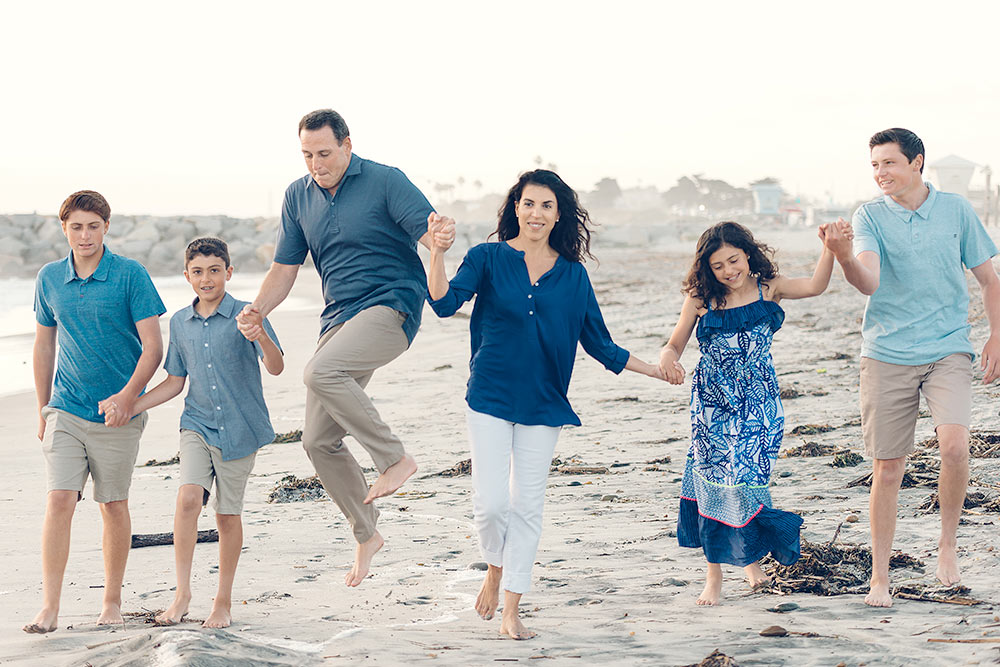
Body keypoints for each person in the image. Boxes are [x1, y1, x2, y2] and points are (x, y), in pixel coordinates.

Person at [426, 169, 665, 639]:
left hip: (544, 404)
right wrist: (436, 253)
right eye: (529, 203)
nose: (537, 213)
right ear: (516, 207)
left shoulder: (573, 277)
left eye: (547, 206)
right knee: (492, 506)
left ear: (559, 215)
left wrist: (654, 369)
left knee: (527, 506)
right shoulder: (488, 258)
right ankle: (494, 567)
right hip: (489, 396)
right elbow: (442, 303)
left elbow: (600, 344)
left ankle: (513, 607)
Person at [236, 109, 455, 587]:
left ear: (347, 145)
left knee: (320, 372)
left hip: (391, 304)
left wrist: (439, 238)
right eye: (308, 155)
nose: (317, 163)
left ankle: (393, 458)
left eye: (325, 153)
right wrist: (258, 309)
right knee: (316, 441)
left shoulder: (384, 181)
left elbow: (429, 233)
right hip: (338, 317)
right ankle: (366, 533)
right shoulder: (298, 196)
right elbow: (285, 270)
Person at [822, 128, 1000, 608]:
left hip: (948, 347)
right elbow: (869, 281)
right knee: (888, 467)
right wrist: (841, 257)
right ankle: (880, 575)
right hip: (886, 352)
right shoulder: (869, 216)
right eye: (875, 166)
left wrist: (996, 335)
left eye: (889, 163)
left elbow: (989, 278)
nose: (880, 174)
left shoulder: (957, 210)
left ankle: (947, 545)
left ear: (917, 162)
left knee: (957, 446)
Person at [659, 220, 838, 606]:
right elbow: (674, 344)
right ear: (707, 268)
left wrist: (830, 248)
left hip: (759, 403)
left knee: (749, 479)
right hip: (712, 404)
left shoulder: (768, 287)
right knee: (714, 482)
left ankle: (751, 559)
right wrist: (667, 359)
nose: (728, 271)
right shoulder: (700, 298)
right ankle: (714, 573)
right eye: (718, 265)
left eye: (733, 261)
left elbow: (815, 286)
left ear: (748, 254)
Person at [120, 238, 283, 628]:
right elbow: (175, 381)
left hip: (242, 429)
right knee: (188, 499)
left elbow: (276, 367)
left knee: (227, 515)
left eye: (214, 270)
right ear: (186, 276)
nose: (206, 278)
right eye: (198, 271)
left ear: (228, 272)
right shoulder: (179, 322)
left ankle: (222, 602)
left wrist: (258, 333)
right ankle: (182, 595)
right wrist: (132, 405)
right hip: (197, 423)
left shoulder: (249, 314)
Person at [24, 191, 165, 634]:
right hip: (65, 407)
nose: (84, 235)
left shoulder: (130, 275)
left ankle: (111, 600)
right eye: (76, 226)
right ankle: (50, 606)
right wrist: (42, 406)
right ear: (63, 228)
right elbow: (44, 343)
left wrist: (128, 397)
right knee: (59, 500)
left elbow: (153, 348)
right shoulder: (49, 278)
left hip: (117, 415)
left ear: (106, 227)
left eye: (93, 226)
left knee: (113, 505)